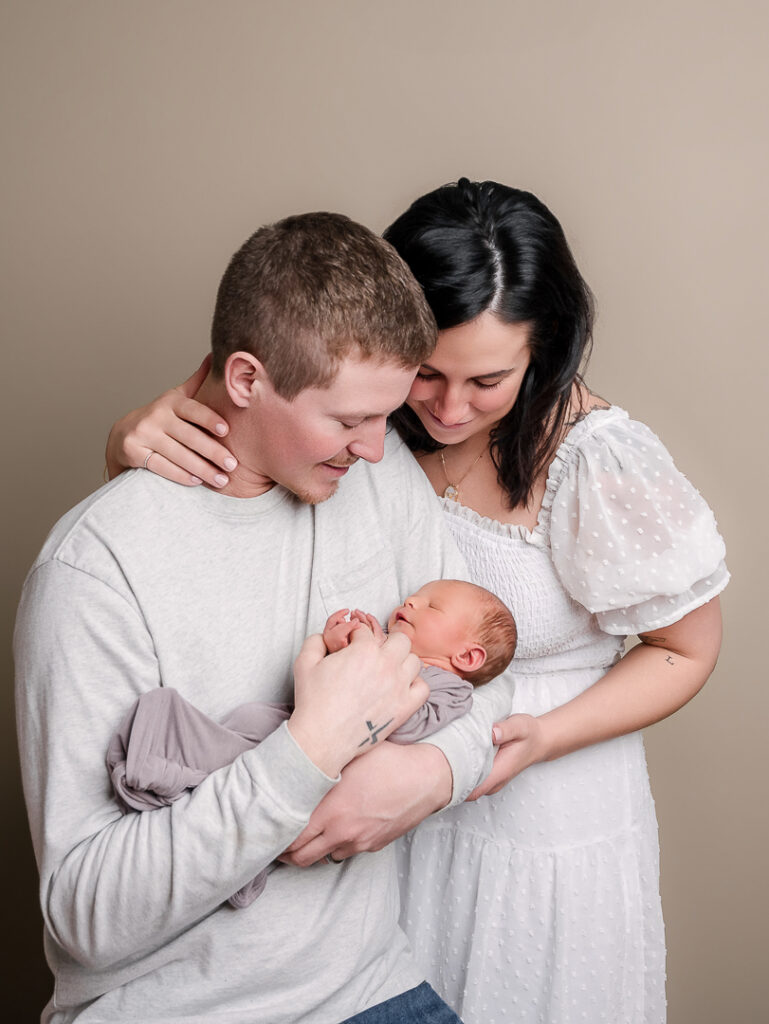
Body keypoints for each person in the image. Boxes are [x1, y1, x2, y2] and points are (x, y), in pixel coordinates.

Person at [108, 179, 729, 1024]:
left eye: (487, 381)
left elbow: (684, 649)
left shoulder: (595, 458)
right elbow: (219, 472)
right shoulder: (362, 425)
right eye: (425, 374)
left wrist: (536, 739)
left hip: (537, 807)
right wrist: (129, 442)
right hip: (372, 811)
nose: (445, 409)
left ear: (542, 352)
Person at [15, 211, 517, 1024]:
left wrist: (431, 773)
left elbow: (481, 672)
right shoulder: (96, 569)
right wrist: (307, 753)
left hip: (370, 988)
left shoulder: (378, 483)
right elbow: (84, 917)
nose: (374, 450)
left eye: (382, 418)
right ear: (246, 379)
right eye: (348, 421)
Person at [106, 579, 517, 909]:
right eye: (416, 596)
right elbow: (326, 689)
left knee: (237, 756)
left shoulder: (449, 689)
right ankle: (174, 775)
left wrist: (375, 664)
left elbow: (406, 727)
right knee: (248, 723)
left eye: (432, 607)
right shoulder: (392, 652)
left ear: (467, 658)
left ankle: (162, 771)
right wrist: (347, 646)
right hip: (301, 726)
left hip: (339, 771)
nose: (411, 600)